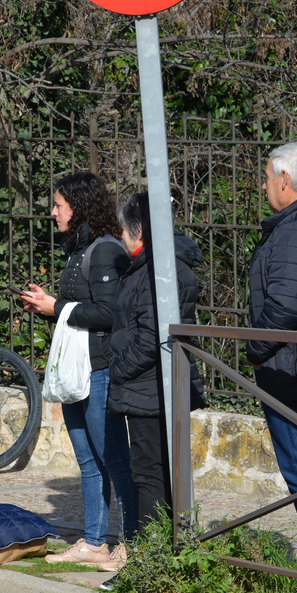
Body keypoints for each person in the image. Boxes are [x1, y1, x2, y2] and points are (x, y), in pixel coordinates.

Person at [17, 172, 137, 568]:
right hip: (76, 372)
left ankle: (134, 543)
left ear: (78, 207)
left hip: (99, 369)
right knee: (88, 460)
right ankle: (94, 541)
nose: (53, 212)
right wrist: (47, 305)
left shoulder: (104, 250)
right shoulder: (78, 250)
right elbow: (77, 310)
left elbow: (108, 313)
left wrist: (57, 308)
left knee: (113, 458)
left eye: (58, 205)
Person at [108, 192, 206, 542]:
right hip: (149, 385)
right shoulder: (153, 266)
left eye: (123, 230)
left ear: (138, 231)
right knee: (157, 472)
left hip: (150, 386)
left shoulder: (161, 270)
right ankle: (164, 554)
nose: (121, 237)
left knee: (150, 475)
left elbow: (151, 336)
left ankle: (153, 560)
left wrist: (117, 370)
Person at [248, 141, 297, 566]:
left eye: (265, 178)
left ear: (284, 179)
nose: (263, 187)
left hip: (296, 373)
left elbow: (284, 305)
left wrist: (255, 352)